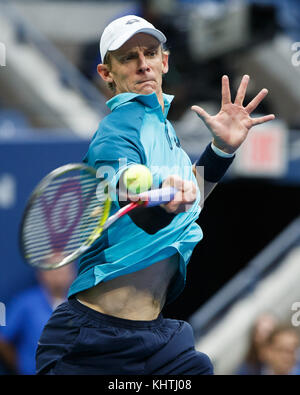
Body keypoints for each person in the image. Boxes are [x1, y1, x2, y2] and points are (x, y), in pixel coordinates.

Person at [35, 15, 275, 375]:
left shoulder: (167, 136)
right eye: (129, 57)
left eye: (150, 53)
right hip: (92, 342)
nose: (143, 64)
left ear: (164, 61)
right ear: (107, 74)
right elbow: (127, 179)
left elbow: (189, 199)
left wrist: (221, 149)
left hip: (159, 341)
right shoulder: (116, 130)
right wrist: (156, 193)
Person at [0, 264, 75, 375]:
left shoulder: (82, 303)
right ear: (41, 274)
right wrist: (20, 367)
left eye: (64, 271)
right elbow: (3, 339)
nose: (59, 276)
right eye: (54, 270)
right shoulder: (25, 302)